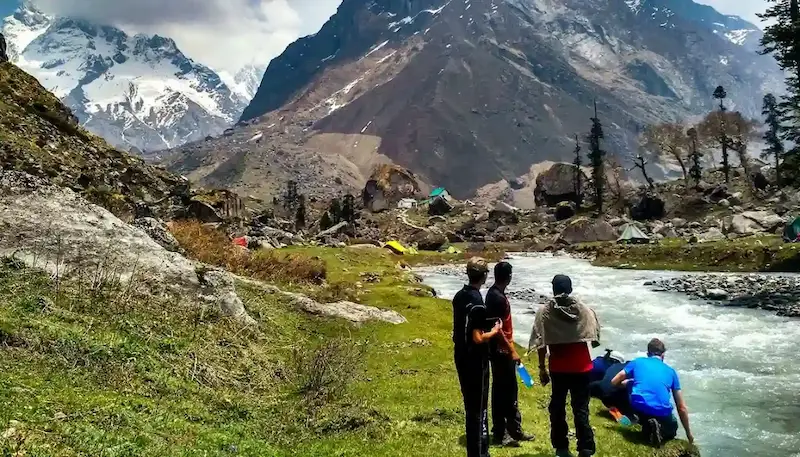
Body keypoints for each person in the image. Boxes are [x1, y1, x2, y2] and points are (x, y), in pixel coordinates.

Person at [529, 274, 600, 457]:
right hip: (582, 367)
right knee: (581, 408)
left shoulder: (545, 312)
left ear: (553, 289)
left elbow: (541, 342)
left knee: (557, 407)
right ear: (570, 288)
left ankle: (561, 447)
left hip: (559, 368)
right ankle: (585, 448)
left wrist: (541, 367)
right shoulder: (584, 310)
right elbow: (594, 332)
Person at [453, 257, 503, 457]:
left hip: (461, 355)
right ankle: (480, 452)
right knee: (479, 409)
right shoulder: (477, 302)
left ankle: (476, 451)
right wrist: (495, 330)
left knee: (470, 406)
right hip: (476, 360)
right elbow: (477, 337)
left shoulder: (459, 296)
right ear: (484, 276)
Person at [611, 338, 694, 447]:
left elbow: (614, 381)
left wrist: (629, 384)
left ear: (647, 353)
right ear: (663, 355)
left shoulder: (637, 362)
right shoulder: (671, 372)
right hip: (662, 412)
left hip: (639, 407)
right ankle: (660, 430)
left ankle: (645, 424)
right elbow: (681, 407)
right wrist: (689, 434)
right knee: (672, 428)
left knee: (633, 387)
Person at [485, 262, 534, 447]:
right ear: (509, 276)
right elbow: (498, 330)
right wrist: (512, 350)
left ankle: (514, 429)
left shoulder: (494, 294)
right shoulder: (497, 298)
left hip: (502, 350)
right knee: (502, 392)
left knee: (510, 390)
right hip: (501, 351)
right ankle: (500, 433)